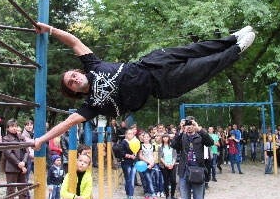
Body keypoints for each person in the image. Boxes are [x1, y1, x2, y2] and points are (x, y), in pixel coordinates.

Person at [33, 23, 255, 150]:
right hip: (162, 85)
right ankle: (236, 50)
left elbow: (73, 41)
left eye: (73, 75)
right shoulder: (91, 105)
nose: (73, 79)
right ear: (72, 91)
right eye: (70, 83)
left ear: (78, 72)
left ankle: (231, 39)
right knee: (203, 68)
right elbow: (68, 123)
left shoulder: (91, 65)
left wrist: (50, 30)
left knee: (195, 49)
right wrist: (42, 139)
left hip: (152, 62)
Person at [171, 116, 214, 199]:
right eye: (187, 125)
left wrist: (199, 129)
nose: (189, 127)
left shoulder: (200, 136)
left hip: (198, 171)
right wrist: (180, 131)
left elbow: (210, 142)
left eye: (191, 125)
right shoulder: (182, 136)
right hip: (184, 172)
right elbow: (173, 145)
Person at [2, 118, 30, 199]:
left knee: (23, 191)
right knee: (11, 192)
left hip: (22, 167)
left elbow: (27, 151)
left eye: (15, 126)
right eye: (12, 126)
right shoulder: (5, 139)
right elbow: (8, 154)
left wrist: (24, 162)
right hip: (12, 168)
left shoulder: (21, 137)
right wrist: (19, 163)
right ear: (8, 128)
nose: (14, 128)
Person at [138, 132, 158, 199]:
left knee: (151, 180)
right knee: (147, 180)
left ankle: (147, 194)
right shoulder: (141, 146)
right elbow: (140, 156)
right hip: (144, 164)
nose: (146, 138)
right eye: (145, 137)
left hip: (152, 164)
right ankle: (153, 196)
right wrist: (148, 162)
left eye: (147, 137)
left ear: (150, 138)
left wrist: (152, 163)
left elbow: (155, 155)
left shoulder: (153, 146)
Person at [120, 129, 138, 199]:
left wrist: (135, 156)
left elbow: (138, 150)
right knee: (128, 180)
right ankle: (128, 194)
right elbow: (121, 152)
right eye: (129, 133)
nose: (130, 135)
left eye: (132, 133)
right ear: (126, 135)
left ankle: (130, 196)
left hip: (134, 163)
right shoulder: (124, 142)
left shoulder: (136, 141)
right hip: (126, 163)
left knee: (132, 179)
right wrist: (129, 156)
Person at [158, 133, 177, 199]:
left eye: (166, 137)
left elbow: (175, 156)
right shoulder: (160, 146)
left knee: (173, 181)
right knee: (166, 180)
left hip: (172, 165)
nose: (165, 138)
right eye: (164, 137)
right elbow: (160, 157)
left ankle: (172, 194)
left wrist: (172, 164)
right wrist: (165, 164)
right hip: (164, 166)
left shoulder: (172, 146)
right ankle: (167, 195)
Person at [21, 120, 35, 199]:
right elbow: (25, 149)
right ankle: (27, 197)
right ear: (24, 126)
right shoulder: (23, 136)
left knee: (39, 177)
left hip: (36, 159)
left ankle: (38, 196)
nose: (29, 126)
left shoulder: (35, 134)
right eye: (27, 125)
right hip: (28, 159)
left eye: (31, 125)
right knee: (26, 179)